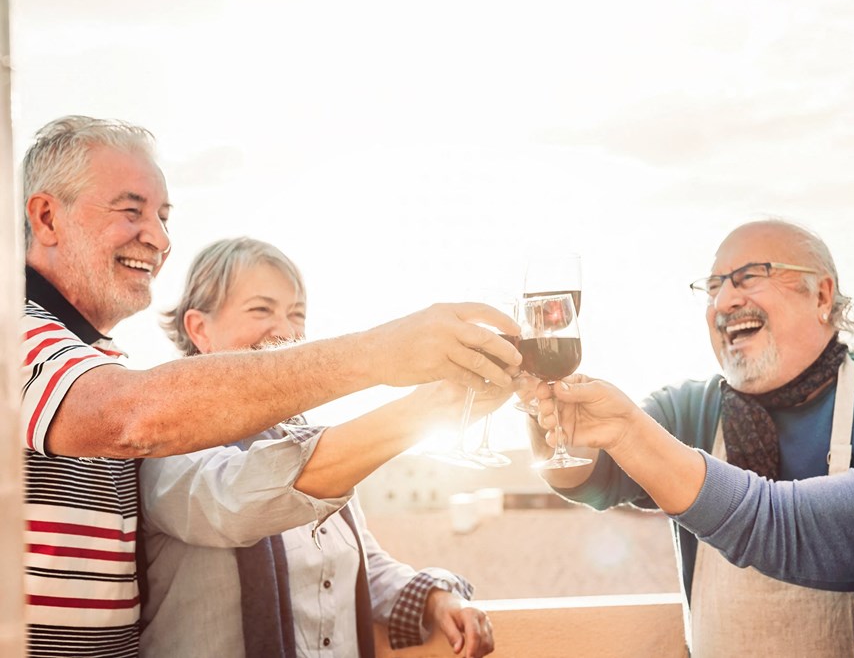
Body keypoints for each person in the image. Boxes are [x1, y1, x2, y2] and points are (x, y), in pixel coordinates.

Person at [20, 116, 519, 656]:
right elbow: (176, 452)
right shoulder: (18, 337)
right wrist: (391, 366)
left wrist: (434, 596)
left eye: (164, 217)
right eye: (131, 210)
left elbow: (355, 562)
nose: (160, 238)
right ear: (47, 217)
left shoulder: (98, 364)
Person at [533, 244, 854, 656]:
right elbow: (762, 519)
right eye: (714, 285)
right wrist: (590, 423)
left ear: (822, 295)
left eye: (749, 277)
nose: (725, 299)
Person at [139, 237, 497, 658]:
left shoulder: (310, 441)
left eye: (297, 314)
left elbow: (364, 566)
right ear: (200, 329)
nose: (287, 331)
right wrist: (424, 410)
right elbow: (239, 501)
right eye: (261, 309)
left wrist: (438, 598)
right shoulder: (169, 440)